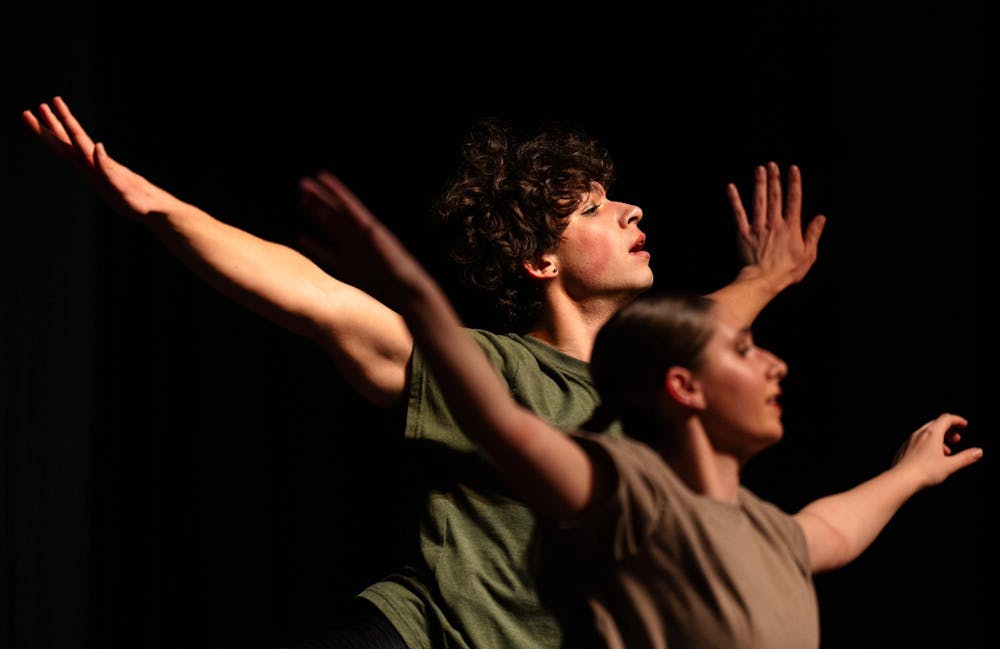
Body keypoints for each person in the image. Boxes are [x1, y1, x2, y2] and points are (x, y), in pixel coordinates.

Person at [24, 97, 824, 649]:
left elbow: (710, 328)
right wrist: (154, 203)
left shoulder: (656, 392)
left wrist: (769, 279)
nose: (631, 211)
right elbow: (318, 300)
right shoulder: (491, 366)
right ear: (540, 259)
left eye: (618, 202)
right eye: (593, 209)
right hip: (423, 634)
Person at [300, 168, 984, 649]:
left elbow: (826, 529)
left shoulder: (736, 524)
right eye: (593, 209)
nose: (633, 211)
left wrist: (912, 471)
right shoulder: (626, 477)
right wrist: (416, 295)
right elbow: (497, 418)